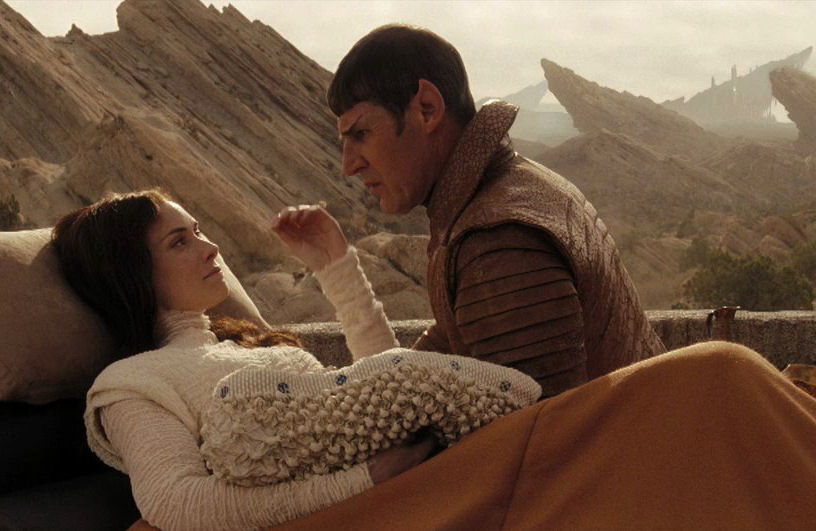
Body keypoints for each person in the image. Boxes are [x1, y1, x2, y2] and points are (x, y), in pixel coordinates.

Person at [52, 190, 469, 529]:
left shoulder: (255, 345)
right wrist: (366, 479)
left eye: (197, 232)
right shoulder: (132, 383)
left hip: (400, 493)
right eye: (179, 242)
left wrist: (336, 266)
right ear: (132, 273)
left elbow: (385, 391)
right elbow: (177, 503)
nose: (211, 247)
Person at [328, 25, 665, 398]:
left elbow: (542, 425)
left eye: (361, 134)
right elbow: (452, 340)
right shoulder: (492, 201)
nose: (349, 165)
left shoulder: (497, 241)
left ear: (427, 109)